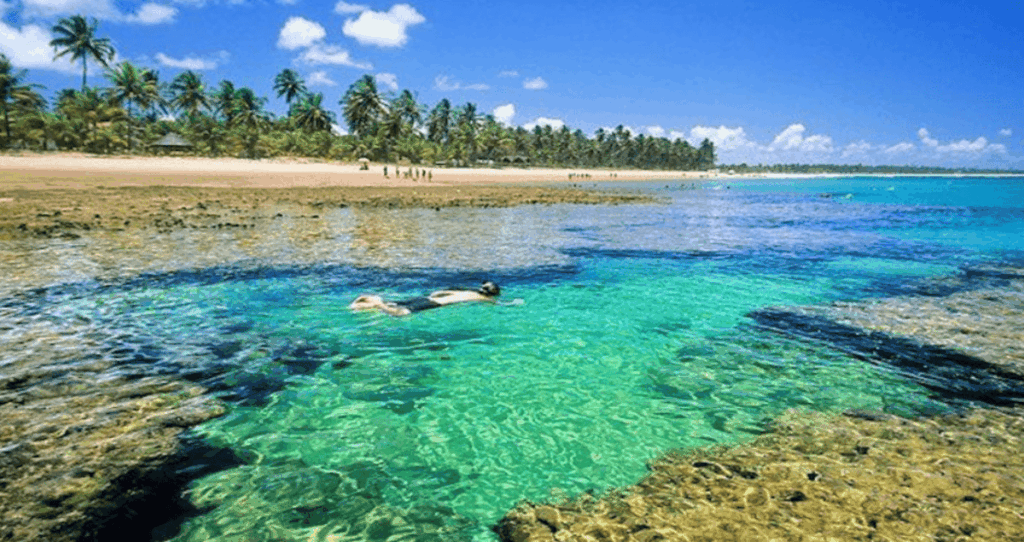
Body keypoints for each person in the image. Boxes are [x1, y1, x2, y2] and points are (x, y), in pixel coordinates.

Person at [349, 281, 502, 316]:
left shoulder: (467, 291)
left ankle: (364, 303)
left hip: (428, 297)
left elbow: (437, 293)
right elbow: (499, 305)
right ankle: (377, 302)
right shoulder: (483, 299)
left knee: (394, 304)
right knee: (401, 314)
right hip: (435, 304)